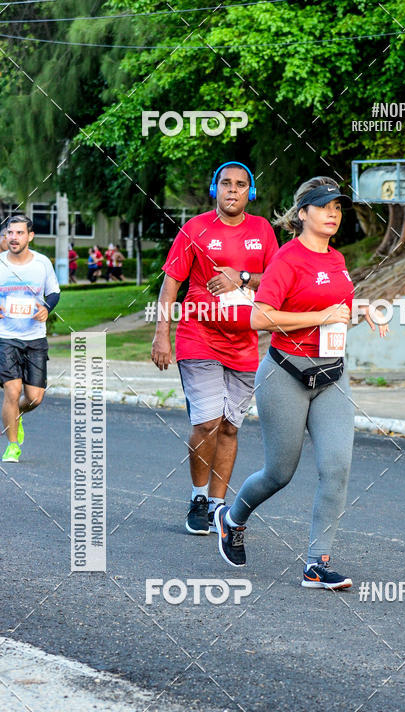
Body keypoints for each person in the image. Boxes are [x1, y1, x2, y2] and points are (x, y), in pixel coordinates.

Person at [215, 175, 387, 590]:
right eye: (325, 205)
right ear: (303, 212)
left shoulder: (337, 260)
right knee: (280, 473)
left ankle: (317, 564)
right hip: (285, 375)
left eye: (338, 207)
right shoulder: (287, 260)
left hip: (331, 375)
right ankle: (232, 518)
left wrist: (365, 309)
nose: (333, 213)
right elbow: (259, 317)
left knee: (337, 468)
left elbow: (336, 307)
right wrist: (321, 317)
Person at [151, 161, 279, 535]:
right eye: (226, 183)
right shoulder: (195, 229)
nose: (233, 190)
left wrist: (241, 278)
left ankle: (219, 505)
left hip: (244, 344)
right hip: (198, 336)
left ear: (250, 192)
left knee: (229, 427)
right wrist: (162, 333)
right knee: (206, 421)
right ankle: (198, 497)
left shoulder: (263, 231)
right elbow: (171, 285)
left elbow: (276, 278)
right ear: (215, 188)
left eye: (241, 184)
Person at [0, 214, 60, 462]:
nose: (14, 237)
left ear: (30, 236)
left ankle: (17, 415)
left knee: (34, 398)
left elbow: (54, 292)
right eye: (10, 233)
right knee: (12, 391)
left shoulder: (42, 263)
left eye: (19, 233)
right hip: (5, 337)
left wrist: (47, 307)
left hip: (35, 338)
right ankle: (12, 446)